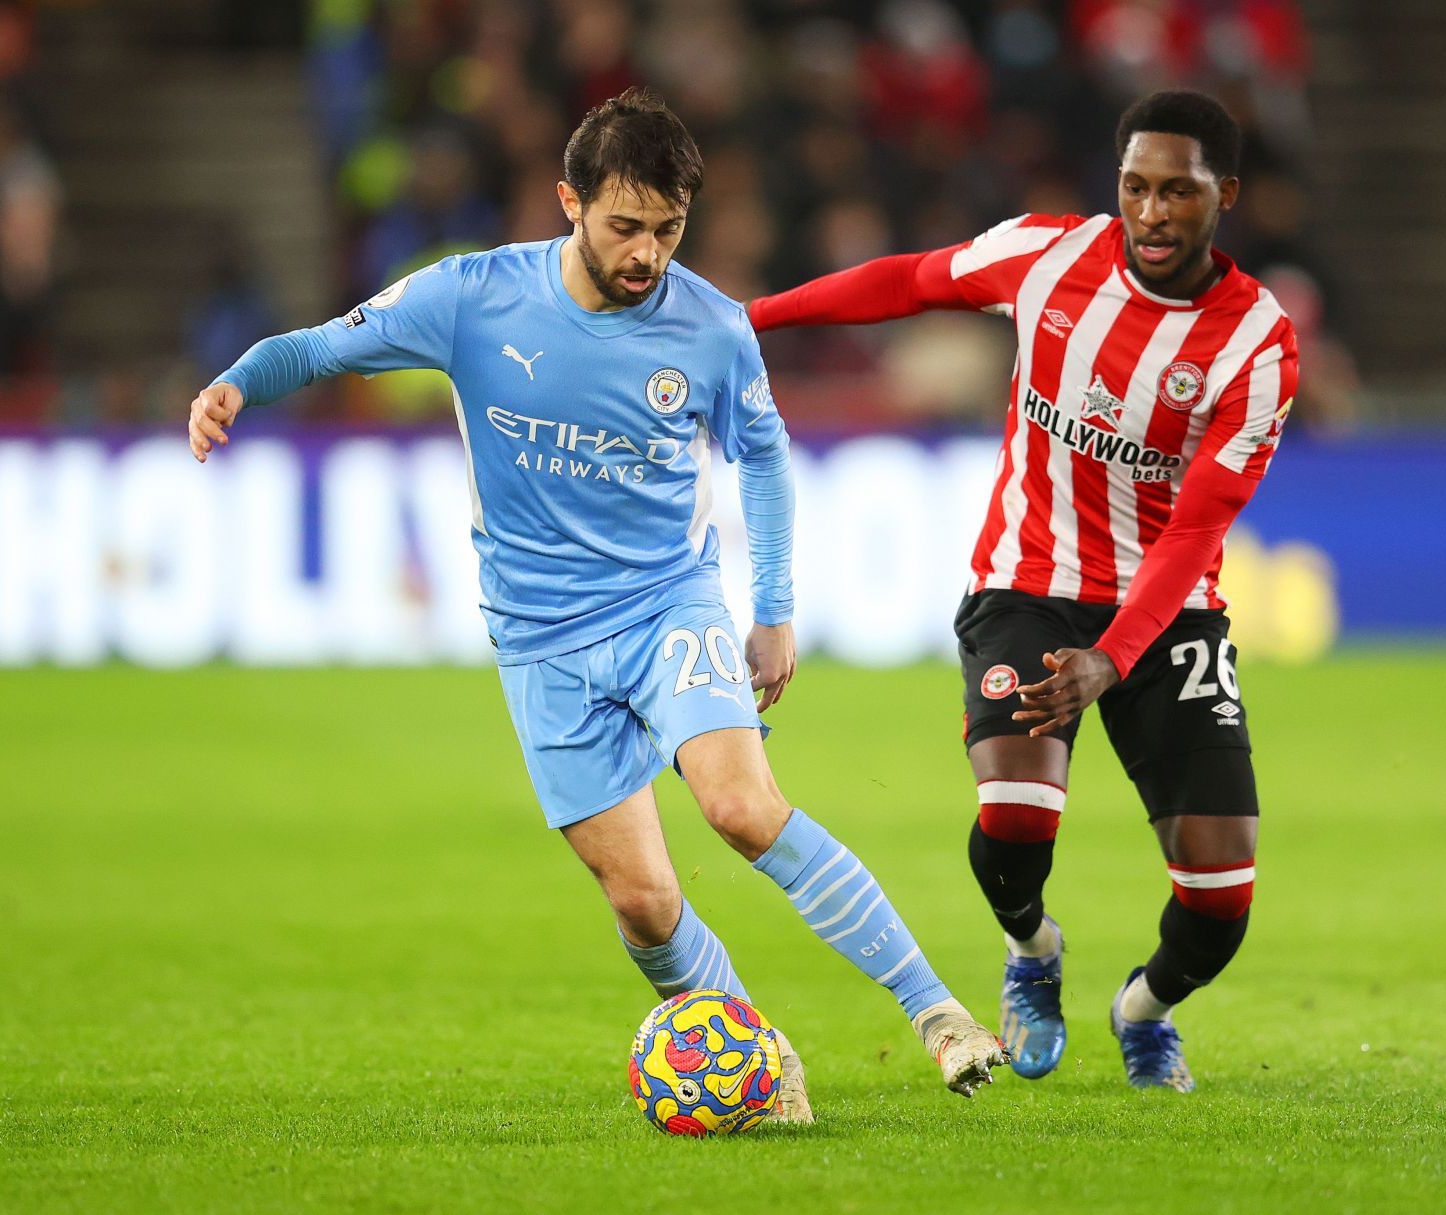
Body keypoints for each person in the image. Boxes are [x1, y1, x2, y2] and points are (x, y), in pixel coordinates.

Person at [186, 89, 1007, 1119]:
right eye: (626, 226)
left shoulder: (710, 328)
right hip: (538, 639)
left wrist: (775, 607)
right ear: (569, 200)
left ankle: (938, 1016)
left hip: (670, 604)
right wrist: (233, 386)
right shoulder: (472, 298)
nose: (648, 253)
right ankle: (757, 1059)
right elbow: (318, 346)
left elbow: (761, 455)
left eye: (669, 229)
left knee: (742, 809)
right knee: (645, 902)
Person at [749, 90, 1299, 1092]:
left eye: (1179, 191)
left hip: (1168, 613)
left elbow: (1198, 527)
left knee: (1220, 899)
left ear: (1227, 195)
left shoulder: (1257, 341)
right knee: (1013, 817)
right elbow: (908, 282)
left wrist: (1114, 656)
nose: (1154, 212)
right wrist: (752, 322)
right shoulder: (1049, 257)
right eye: (1137, 187)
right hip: (1027, 584)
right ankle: (1033, 952)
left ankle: (1144, 1009)